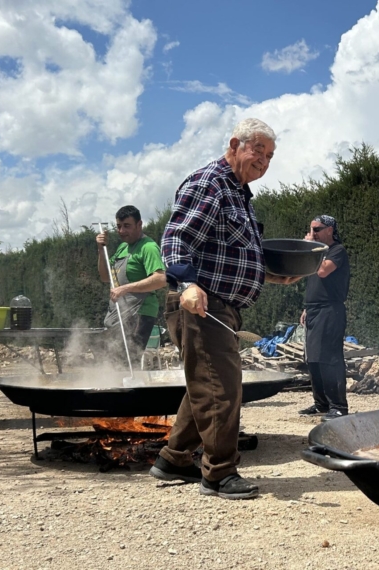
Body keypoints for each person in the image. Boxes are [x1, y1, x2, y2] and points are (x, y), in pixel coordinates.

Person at [151, 118, 300, 500]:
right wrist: (186, 284)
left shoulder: (240, 192)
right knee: (222, 387)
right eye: (258, 151)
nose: (264, 161)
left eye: (270, 156)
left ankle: (173, 459)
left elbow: (226, 255)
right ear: (235, 145)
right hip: (202, 303)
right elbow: (177, 237)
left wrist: (270, 276)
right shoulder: (211, 183)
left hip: (221, 304)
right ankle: (219, 473)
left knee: (206, 383)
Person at [96, 205, 167, 365]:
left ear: (139, 224)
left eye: (127, 226)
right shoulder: (123, 248)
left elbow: (160, 279)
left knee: (125, 362)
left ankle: (128, 388)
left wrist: (125, 288)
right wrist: (101, 251)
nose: (122, 231)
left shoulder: (148, 247)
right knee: (111, 359)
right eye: (119, 227)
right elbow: (106, 276)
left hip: (140, 313)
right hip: (121, 313)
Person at [297, 215, 351, 421]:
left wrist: (309, 248)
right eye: (311, 229)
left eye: (317, 229)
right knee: (313, 360)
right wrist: (306, 307)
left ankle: (338, 406)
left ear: (329, 230)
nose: (313, 234)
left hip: (330, 310)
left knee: (329, 358)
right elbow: (313, 284)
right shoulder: (318, 251)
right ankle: (321, 403)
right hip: (314, 310)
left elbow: (322, 271)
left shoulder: (337, 251)